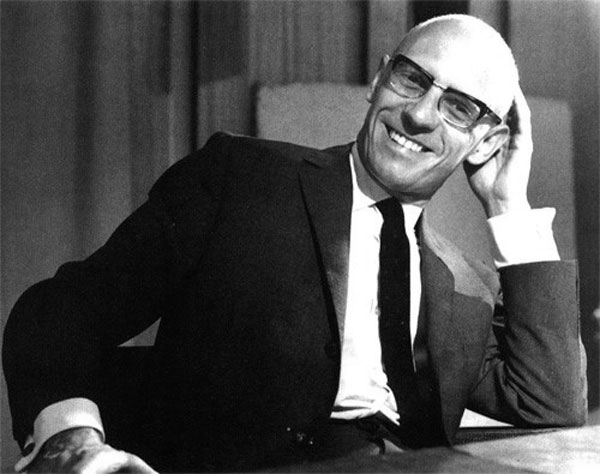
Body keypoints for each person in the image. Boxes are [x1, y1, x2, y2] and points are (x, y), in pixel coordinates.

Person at [3, 14, 587, 473]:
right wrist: (71, 442)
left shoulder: (465, 285)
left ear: (485, 141)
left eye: (458, 108)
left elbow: (549, 401)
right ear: (379, 79)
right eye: (412, 78)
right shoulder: (241, 179)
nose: (419, 115)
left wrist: (507, 203)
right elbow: (59, 313)